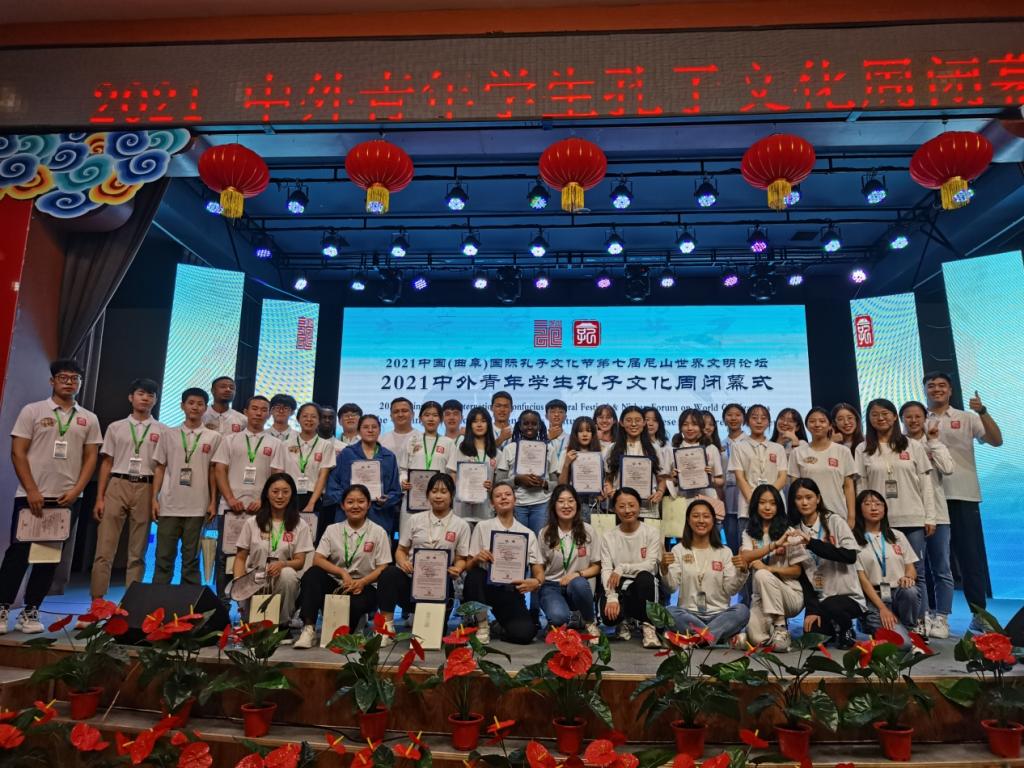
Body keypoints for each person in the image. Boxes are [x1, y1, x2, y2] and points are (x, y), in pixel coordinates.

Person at [0, 359, 101, 634]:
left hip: (67, 499)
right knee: (18, 554)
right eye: (63, 377)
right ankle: (3, 606)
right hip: (30, 496)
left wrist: (77, 490)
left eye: (74, 378)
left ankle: (31, 610)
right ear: (52, 381)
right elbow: (18, 452)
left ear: (80, 383)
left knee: (48, 556)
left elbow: (91, 458)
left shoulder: (89, 418)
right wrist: (32, 489)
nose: (69, 382)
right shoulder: (33, 411)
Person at [923, 371, 1003, 628]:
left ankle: (979, 615)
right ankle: (931, 614)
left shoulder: (967, 417)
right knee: (931, 560)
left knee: (971, 559)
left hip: (963, 495)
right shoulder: (917, 419)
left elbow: (996, 441)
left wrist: (983, 411)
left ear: (950, 390)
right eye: (931, 386)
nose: (937, 389)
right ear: (925, 390)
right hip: (928, 498)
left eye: (942, 385)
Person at [854, 398, 935, 636]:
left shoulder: (912, 445)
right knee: (875, 571)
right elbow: (862, 488)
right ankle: (876, 617)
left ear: (894, 416)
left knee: (917, 573)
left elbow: (926, 484)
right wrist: (861, 519)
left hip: (912, 517)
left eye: (885, 413)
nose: (881, 418)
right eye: (875, 414)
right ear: (869, 419)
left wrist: (930, 516)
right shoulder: (863, 449)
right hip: (877, 522)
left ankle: (920, 620)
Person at [90, 377, 166, 600]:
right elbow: (106, 462)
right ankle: (97, 602)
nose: (145, 398)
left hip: (146, 486)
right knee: (104, 549)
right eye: (141, 394)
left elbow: (161, 467)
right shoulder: (116, 427)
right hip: (117, 483)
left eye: (150, 395)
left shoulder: (163, 430)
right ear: (131, 397)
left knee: (137, 551)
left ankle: (131, 603)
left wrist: (156, 497)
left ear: (155, 400)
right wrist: (100, 497)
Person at [294, 484, 392, 648]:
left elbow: (383, 567)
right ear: (342, 505)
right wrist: (341, 573)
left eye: (361, 501)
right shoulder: (332, 530)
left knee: (349, 624)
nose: (355, 506)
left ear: (368, 505)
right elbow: (317, 559)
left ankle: (360, 619)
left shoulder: (378, 532)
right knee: (313, 574)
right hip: (337, 584)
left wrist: (362, 582)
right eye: (350, 502)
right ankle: (309, 629)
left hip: (364, 587)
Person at [377, 473, 471, 642]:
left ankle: (424, 618)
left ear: (451, 495)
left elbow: (461, 558)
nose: (438, 496)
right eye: (434, 491)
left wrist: (457, 568)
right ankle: (386, 627)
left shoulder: (461, 525)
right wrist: (403, 562)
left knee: (432, 637)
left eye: (444, 491)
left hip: (440, 588)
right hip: (411, 583)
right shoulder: (415, 520)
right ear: (427, 495)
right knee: (389, 573)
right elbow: (401, 550)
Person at [212, 396, 285, 595]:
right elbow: (219, 470)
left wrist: (263, 500)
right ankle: (223, 602)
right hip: (230, 508)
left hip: (261, 510)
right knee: (225, 556)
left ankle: (251, 603)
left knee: (259, 555)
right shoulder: (230, 440)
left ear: (268, 414)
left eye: (263, 409)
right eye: (254, 408)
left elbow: (277, 476)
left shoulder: (275, 443)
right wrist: (230, 499)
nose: (259, 413)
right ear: (245, 412)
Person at [151, 388, 221, 586]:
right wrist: (154, 498)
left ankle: (189, 603)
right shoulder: (168, 434)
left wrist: (213, 501)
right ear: (182, 406)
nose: (195, 407)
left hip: (198, 506)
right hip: (169, 504)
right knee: (163, 557)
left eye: (200, 404)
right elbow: (160, 467)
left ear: (205, 408)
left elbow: (213, 471)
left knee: (191, 560)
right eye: (191, 403)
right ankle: (159, 599)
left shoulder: (213, 437)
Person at [464, 481, 545, 644]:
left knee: (524, 635)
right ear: (492, 503)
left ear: (515, 500)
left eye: (508, 494)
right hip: (485, 587)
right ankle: (482, 623)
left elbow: (539, 571)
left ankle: (498, 627)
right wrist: (476, 558)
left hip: (511, 591)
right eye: (498, 496)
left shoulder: (527, 533)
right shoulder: (482, 527)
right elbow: (467, 566)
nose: (503, 498)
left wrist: (536, 582)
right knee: (474, 575)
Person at [900, 400, 955, 639]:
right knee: (918, 569)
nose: (913, 420)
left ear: (925, 418)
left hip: (938, 514)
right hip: (911, 515)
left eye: (917, 416)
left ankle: (941, 616)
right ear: (901, 420)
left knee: (941, 567)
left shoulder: (933, 442)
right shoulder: (899, 444)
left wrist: (933, 442)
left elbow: (948, 468)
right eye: (908, 417)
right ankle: (921, 615)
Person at [232, 473, 314, 633]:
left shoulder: (300, 525)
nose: (280, 496)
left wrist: (283, 564)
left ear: (292, 495)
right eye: (275, 491)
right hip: (254, 579)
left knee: (289, 574)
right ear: (267, 494)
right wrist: (238, 584)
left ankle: (282, 625)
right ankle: (253, 620)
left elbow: (300, 562)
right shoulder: (252, 523)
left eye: (285, 492)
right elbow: (240, 558)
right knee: (256, 630)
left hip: (281, 580)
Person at [661, 498, 750, 645]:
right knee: (669, 612)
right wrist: (664, 569)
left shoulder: (724, 552)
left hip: (719, 615)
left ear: (713, 521)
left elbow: (731, 590)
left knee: (742, 611)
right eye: (696, 516)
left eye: (706, 516)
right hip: (688, 614)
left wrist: (742, 571)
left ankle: (698, 638)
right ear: (688, 520)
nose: (701, 520)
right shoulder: (678, 550)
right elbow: (672, 587)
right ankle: (716, 636)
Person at [788, 478, 863, 648]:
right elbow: (804, 577)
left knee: (833, 605)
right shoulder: (794, 531)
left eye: (809, 497)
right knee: (813, 639)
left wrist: (811, 543)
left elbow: (850, 556)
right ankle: (832, 627)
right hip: (820, 599)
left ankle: (846, 628)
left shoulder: (835, 521)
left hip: (848, 596)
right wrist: (812, 610)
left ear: (818, 498)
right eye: (799, 498)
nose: (804, 502)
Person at [741, 485, 805, 651]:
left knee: (762, 574)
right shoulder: (748, 532)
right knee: (755, 637)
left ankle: (780, 627)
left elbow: (797, 571)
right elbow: (745, 557)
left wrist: (770, 569)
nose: (767, 507)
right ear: (755, 505)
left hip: (790, 595)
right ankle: (771, 635)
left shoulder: (789, 531)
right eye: (762, 503)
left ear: (779, 506)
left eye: (772, 503)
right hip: (761, 598)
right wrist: (774, 546)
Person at [853, 489, 919, 647]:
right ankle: (873, 625)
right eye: (868, 504)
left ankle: (909, 628)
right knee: (903, 645)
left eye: (878, 504)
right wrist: (882, 608)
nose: (874, 508)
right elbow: (862, 579)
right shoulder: (853, 539)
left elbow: (911, 567)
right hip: (873, 598)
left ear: (885, 509)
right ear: (859, 509)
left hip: (897, 594)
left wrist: (908, 577)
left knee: (910, 590)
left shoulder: (897, 536)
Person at [599, 488, 662, 648]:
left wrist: (622, 567)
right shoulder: (608, 536)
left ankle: (648, 626)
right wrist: (611, 597)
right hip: (619, 584)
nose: (627, 510)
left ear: (639, 507)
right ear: (614, 509)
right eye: (621, 506)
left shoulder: (651, 532)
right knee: (609, 618)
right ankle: (623, 621)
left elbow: (650, 565)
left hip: (643, 583)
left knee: (645, 578)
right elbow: (606, 569)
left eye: (632, 505)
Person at [538, 484, 602, 641]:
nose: (566, 505)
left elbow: (597, 566)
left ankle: (589, 622)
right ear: (554, 506)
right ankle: (559, 621)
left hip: (578, 585)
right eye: (561, 501)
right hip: (552, 585)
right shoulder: (545, 533)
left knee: (579, 583)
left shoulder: (588, 531)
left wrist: (577, 574)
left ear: (577, 505)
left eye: (570, 501)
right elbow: (539, 565)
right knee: (559, 617)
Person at [326, 415, 402, 540]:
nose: (370, 430)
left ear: (379, 430)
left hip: (379, 516)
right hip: (348, 515)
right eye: (365, 427)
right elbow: (333, 485)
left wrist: (386, 500)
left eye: (374, 427)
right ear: (359, 431)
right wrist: (348, 501)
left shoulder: (389, 457)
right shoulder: (347, 454)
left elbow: (396, 491)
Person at [789, 407, 856, 526]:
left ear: (830, 425)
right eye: (812, 421)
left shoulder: (843, 451)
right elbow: (795, 488)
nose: (817, 424)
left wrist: (851, 517)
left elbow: (848, 486)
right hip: (808, 516)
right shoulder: (797, 452)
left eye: (822, 421)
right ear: (807, 425)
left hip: (838, 514)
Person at [400, 401, 457, 540]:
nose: (431, 419)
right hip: (413, 498)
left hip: (438, 498)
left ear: (441, 419)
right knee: (408, 538)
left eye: (435, 415)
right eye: (427, 415)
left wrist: (448, 497)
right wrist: (403, 481)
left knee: (436, 539)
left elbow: (452, 473)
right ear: (420, 418)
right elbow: (403, 469)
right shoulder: (412, 441)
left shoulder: (448, 443)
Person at [282, 403, 336, 543]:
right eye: (305, 416)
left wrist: (311, 503)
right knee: (286, 538)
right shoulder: (285, 444)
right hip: (288, 497)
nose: (309, 420)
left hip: (314, 498)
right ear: (298, 419)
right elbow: (280, 474)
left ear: (319, 420)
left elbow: (323, 475)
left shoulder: (325, 445)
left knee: (310, 541)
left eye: (313, 417)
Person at [497, 409, 554, 535]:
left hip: (542, 504)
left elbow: (557, 483)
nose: (530, 427)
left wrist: (543, 483)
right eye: (526, 423)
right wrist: (517, 480)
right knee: (518, 541)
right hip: (516, 504)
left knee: (539, 541)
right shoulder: (509, 449)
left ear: (539, 426)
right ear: (519, 426)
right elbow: (499, 482)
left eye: (534, 424)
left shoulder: (549, 449)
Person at [603, 406, 667, 516]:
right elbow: (608, 478)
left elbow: (661, 478)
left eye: (638, 420)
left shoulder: (654, 448)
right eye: (628, 420)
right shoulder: (612, 448)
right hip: (621, 508)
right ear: (621, 423)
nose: (633, 424)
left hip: (648, 508)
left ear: (644, 423)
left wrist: (660, 492)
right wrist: (610, 491)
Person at [728, 404, 787, 523]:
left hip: (775, 507)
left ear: (769, 422)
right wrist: (755, 502)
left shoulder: (778, 448)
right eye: (754, 418)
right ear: (747, 421)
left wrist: (768, 499)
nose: (759, 421)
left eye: (764, 418)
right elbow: (740, 478)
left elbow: (782, 477)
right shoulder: (738, 447)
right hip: (748, 507)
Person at [453, 407, 497, 527]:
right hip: (462, 511)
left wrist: (491, 487)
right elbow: (452, 474)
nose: (479, 425)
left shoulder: (496, 453)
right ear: (469, 425)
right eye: (475, 421)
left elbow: (499, 483)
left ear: (488, 424)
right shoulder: (461, 449)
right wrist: (461, 487)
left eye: (483, 421)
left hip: (485, 511)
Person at [670, 408, 724, 501]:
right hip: (683, 500)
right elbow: (669, 481)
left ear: (701, 426)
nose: (690, 428)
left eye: (694, 424)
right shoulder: (673, 450)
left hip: (707, 499)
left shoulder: (711, 448)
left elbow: (721, 481)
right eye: (685, 424)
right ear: (680, 427)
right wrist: (674, 478)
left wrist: (710, 479)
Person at [558, 416, 604, 520]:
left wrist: (602, 492)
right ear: (575, 434)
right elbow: (561, 485)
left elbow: (604, 482)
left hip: (594, 505)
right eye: (580, 431)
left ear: (593, 434)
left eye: (588, 431)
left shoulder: (600, 454)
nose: (585, 434)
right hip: (573, 504)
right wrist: (567, 464)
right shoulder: (566, 453)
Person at [721, 403, 748, 553]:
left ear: (743, 418)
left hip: (746, 495)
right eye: (729, 415)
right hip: (727, 496)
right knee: (731, 538)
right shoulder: (720, 444)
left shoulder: (750, 442)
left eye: (737, 415)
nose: (733, 418)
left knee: (746, 541)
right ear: (724, 419)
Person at [379, 397, 418, 466]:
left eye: (404, 411)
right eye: (396, 412)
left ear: (413, 414)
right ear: (391, 416)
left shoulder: (421, 438)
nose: (400, 414)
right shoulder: (381, 441)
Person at [546, 399, 570, 472]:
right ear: (546, 416)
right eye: (553, 412)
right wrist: (548, 439)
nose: (556, 414)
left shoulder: (571, 439)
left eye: (560, 412)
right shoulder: (540, 439)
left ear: (565, 416)